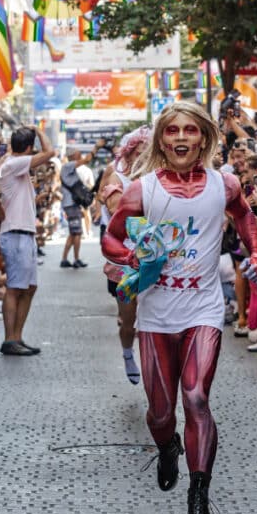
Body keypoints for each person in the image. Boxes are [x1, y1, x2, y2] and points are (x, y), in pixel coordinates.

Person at [102, 102, 257, 514]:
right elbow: (111, 239)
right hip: (156, 313)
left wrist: (255, 252)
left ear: (203, 138)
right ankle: (168, 445)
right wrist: (133, 258)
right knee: (159, 413)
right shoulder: (143, 189)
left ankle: (199, 499)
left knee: (195, 396)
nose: (180, 137)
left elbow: (245, 216)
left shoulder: (224, 183)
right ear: (160, 140)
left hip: (203, 309)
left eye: (189, 130)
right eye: (171, 130)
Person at [0, 126, 55, 356]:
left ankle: (17, 337)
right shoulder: (14, 163)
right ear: (29, 148)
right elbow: (50, 153)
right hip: (15, 233)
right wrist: (40, 131)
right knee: (14, 288)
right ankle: (10, 339)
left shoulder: (14, 165)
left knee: (29, 287)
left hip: (24, 234)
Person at [99, 128, 149, 384]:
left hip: (155, 261)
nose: (144, 158)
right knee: (128, 319)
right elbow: (117, 213)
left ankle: (155, 364)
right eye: (140, 152)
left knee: (155, 320)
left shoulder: (158, 178)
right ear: (130, 151)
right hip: (125, 262)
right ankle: (128, 353)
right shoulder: (117, 176)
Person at [59, 146, 91, 269]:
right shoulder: (68, 166)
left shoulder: (68, 168)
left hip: (71, 204)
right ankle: (76, 259)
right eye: (79, 153)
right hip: (71, 205)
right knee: (77, 232)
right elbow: (87, 160)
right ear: (73, 155)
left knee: (73, 233)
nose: (80, 155)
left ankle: (64, 259)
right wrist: (97, 147)